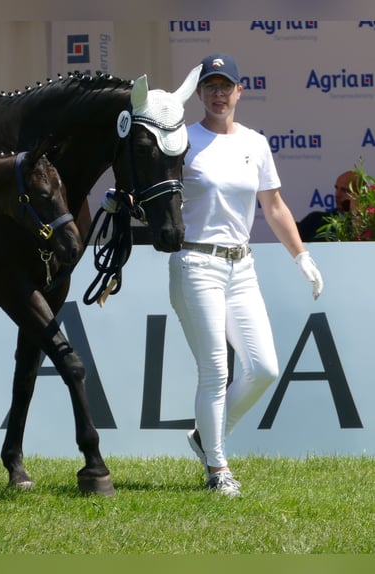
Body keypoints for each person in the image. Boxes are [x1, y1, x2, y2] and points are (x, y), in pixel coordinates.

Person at [169, 53, 324, 497]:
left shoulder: (255, 143)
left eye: (226, 86)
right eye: (211, 86)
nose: (219, 94)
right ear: (200, 94)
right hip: (195, 262)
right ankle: (218, 468)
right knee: (216, 369)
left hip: (242, 264)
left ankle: (204, 438)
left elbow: (273, 206)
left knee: (263, 368)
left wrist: (301, 256)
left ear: (240, 91)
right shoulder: (181, 140)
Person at [296, 170, 357, 242]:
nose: (337, 195)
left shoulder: (369, 225)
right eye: (336, 188)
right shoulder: (315, 220)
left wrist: (356, 215)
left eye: (344, 190)